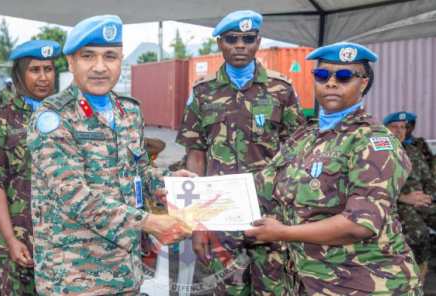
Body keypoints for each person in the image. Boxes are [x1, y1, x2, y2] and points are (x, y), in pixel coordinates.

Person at [27, 15, 194, 295]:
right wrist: (150, 223)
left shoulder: (128, 111)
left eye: (110, 56)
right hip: (74, 276)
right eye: (88, 56)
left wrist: (167, 182)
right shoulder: (53, 118)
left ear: (121, 60)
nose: (100, 67)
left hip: (124, 270)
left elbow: (138, 171)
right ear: (70, 61)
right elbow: (72, 195)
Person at [245, 42, 422, 295]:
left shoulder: (373, 142)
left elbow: (358, 225)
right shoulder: (305, 135)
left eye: (344, 76)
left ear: (363, 84)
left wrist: (283, 232)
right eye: (322, 75)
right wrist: (201, 187)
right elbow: (260, 185)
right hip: (310, 280)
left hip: (366, 282)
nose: (331, 83)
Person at [175, 10, 305, 295]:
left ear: (258, 43)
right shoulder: (203, 92)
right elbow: (195, 158)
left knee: (276, 289)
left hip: (271, 215)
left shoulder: (280, 88)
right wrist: (197, 225)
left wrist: (295, 218)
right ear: (220, 43)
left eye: (248, 38)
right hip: (221, 216)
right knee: (229, 291)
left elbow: (298, 156)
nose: (240, 44)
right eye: (232, 38)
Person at [0, 39, 61, 295]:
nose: (43, 77)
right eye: (34, 70)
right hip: (20, 242)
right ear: (19, 73)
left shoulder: (67, 115)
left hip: (63, 241)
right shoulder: (2, 119)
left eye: (48, 69)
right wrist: (11, 241)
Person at [383, 111, 436, 284]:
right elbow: (377, 186)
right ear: (385, 129)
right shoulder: (380, 152)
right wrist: (404, 198)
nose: (400, 130)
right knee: (417, 233)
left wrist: (428, 197)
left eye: (403, 127)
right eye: (395, 127)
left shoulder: (413, 151)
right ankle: (413, 276)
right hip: (398, 203)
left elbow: (429, 179)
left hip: (421, 200)